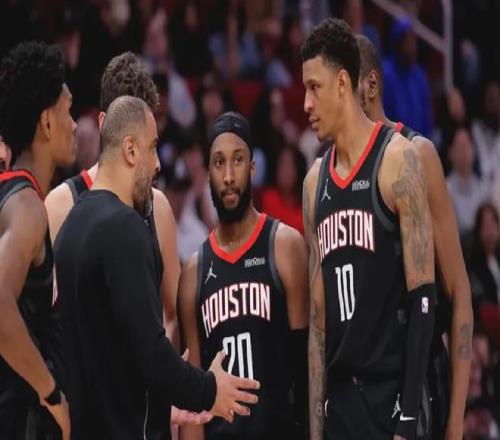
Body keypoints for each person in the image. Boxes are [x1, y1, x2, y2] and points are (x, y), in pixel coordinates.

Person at [54, 96, 260, 439]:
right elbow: (152, 353)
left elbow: (111, 362)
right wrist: (210, 390)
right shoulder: (126, 227)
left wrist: (166, 406)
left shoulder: (70, 227)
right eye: (152, 149)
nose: (158, 164)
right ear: (130, 149)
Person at [302, 18, 436, 440]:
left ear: (343, 83)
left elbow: (424, 298)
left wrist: (409, 418)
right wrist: (316, 431)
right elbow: (318, 326)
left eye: (314, 87)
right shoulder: (314, 183)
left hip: (390, 398)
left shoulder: (398, 159)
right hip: (342, 404)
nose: (305, 103)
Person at [356, 34, 473, 440]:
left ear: (370, 85)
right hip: (364, 393)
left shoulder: (417, 154)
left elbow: (459, 292)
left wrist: (455, 425)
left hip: (418, 382)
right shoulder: (330, 177)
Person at [178, 111, 309, 440]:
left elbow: (308, 370)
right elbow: (193, 408)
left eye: (237, 160)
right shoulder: (193, 273)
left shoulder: (285, 246)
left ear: (252, 167)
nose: (228, 176)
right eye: (218, 163)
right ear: (207, 172)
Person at [45, 52, 181, 353]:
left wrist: (162, 374)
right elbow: (48, 322)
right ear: (106, 123)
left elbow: (172, 316)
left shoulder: (158, 206)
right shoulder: (60, 205)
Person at [0, 41, 77, 439]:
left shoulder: (12, 196)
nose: (75, 124)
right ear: (47, 123)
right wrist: (51, 392)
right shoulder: (27, 206)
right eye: (68, 110)